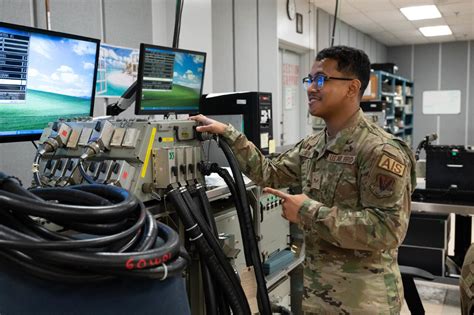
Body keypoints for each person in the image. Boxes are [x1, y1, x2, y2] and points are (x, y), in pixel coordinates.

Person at [192, 46, 416, 314]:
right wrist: (228, 134)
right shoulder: (313, 146)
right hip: (319, 296)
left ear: (352, 88)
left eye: (321, 79)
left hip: (363, 301)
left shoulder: (379, 150)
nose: (311, 88)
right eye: (309, 80)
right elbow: (270, 172)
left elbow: (388, 230)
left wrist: (308, 212)